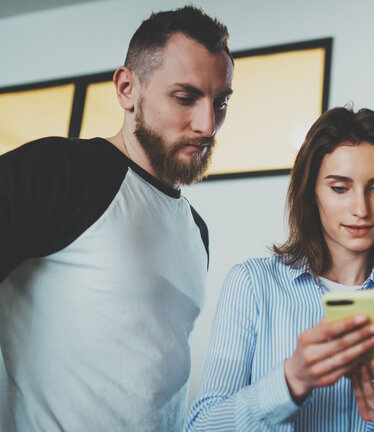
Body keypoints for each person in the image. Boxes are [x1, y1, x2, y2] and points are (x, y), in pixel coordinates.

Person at [0, 6, 233, 431]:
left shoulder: (197, 231)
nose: (208, 125)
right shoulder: (59, 171)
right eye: (185, 98)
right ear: (127, 88)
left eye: (220, 103)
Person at [187, 106, 374, 431]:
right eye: (340, 188)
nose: (360, 209)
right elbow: (202, 425)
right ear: (312, 192)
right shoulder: (252, 284)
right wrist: (290, 380)